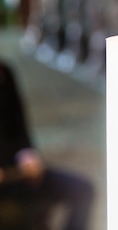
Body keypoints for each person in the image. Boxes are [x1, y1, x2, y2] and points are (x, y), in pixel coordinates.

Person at [0, 61, 94, 230]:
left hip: (19, 172)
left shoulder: (5, 72)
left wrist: (27, 152)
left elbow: (19, 127)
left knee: (83, 190)